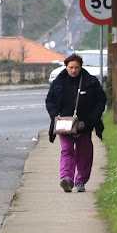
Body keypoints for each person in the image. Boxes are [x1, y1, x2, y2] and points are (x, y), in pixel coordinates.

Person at [45, 53, 106, 193]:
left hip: (84, 124)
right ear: (66, 67)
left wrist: (91, 120)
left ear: (81, 67)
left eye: (76, 67)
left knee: (84, 152)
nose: (73, 70)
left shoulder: (90, 82)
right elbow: (50, 101)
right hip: (63, 124)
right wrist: (55, 116)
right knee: (66, 150)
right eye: (71, 67)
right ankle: (66, 178)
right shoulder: (58, 83)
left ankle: (81, 180)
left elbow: (101, 100)